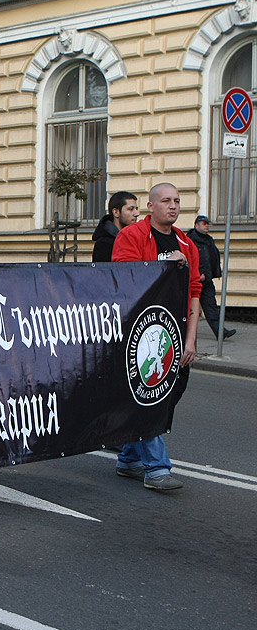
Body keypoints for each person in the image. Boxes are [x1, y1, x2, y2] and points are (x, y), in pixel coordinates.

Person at [111, 182, 200, 491]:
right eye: (165, 200)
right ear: (151, 206)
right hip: (138, 332)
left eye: (177, 200)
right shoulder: (131, 236)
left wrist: (190, 341)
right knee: (150, 395)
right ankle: (157, 468)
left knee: (167, 395)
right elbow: (123, 278)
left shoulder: (188, 244)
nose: (173, 206)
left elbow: (195, 294)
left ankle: (129, 459)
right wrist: (163, 264)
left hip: (173, 335)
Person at [187, 214, 235, 339]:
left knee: (211, 306)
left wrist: (214, 273)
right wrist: (197, 274)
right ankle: (184, 332)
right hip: (194, 280)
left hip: (206, 279)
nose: (207, 226)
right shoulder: (190, 240)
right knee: (190, 308)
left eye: (208, 224)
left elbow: (211, 258)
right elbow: (190, 259)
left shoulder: (208, 240)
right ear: (196, 225)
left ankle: (220, 332)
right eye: (204, 224)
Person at [91, 191, 139, 262]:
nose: (136, 213)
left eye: (136, 209)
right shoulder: (103, 245)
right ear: (116, 212)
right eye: (131, 209)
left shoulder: (136, 238)